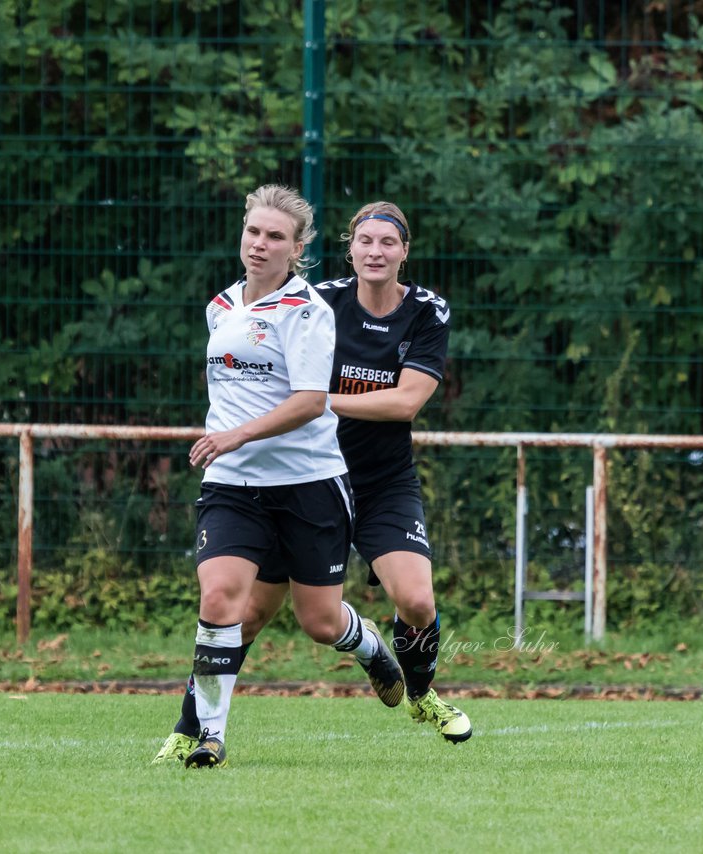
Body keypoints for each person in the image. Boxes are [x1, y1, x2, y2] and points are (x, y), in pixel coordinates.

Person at [154, 200, 470, 761]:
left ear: (404, 251)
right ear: (348, 248)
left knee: (417, 601)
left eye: (388, 243)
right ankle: (192, 731)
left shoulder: (426, 310)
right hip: (291, 475)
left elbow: (406, 403)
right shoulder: (316, 299)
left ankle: (421, 694)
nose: (375, 252)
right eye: (365, 241)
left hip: (371, 482)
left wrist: (314, 402)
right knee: (241, 610)